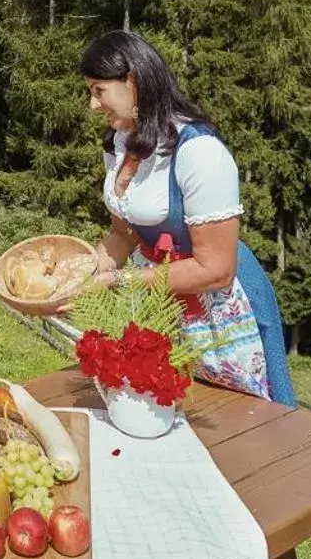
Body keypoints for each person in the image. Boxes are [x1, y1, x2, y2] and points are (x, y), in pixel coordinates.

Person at [78, 30, 296, 407]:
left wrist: (118, 281)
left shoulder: (198, 152)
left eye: (99, 91)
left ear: (133, 81)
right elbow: (124, 235)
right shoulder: (118, 145)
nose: (93, 105)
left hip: (221, 310)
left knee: (238, 420)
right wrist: (80, 275)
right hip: (158, 302)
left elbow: (216, 271)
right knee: (159, 409)